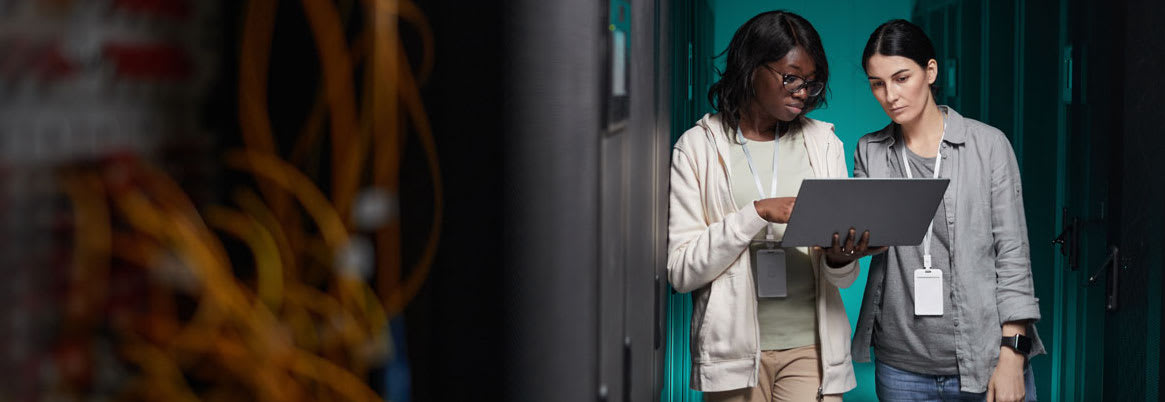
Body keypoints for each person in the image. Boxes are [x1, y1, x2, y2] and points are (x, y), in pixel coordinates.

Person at [666, 11, 882, 402]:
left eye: (811, 83)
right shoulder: (697, 147)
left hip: (812, 351)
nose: (802, 91)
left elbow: (842, 278)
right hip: (732, 355)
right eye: (790, 77)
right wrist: (757, 213)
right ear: (752, 68)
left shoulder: (823, 144)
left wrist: (839, 259)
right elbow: (681, 271)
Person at [851, 19, 1043, 402]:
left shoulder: (988, 146)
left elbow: (1013, 256)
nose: (890, 95)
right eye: (878, 83)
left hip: (986, 359)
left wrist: (1012, 355)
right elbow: (863, 239)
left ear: (931, 71)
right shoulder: (869, 151)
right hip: (901, 367)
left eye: (902, 77)